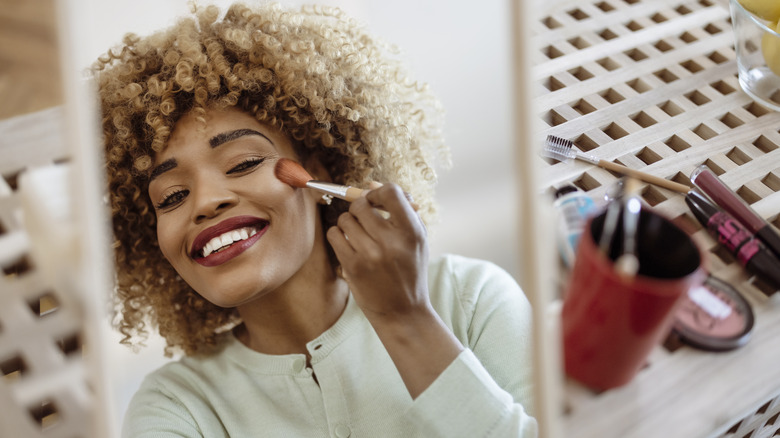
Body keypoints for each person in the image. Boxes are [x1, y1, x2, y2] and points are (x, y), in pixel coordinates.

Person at [93, 2, 537, 437]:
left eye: (243, 163)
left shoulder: (469, 300)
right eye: (171, 197)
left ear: (320, 173)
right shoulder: (177, 407)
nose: (206, 202)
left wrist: (406, 319)